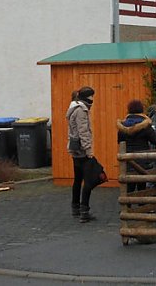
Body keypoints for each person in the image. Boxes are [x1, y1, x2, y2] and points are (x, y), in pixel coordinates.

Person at [116, 99, 156, 192]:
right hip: (142, 160)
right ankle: (141, 204)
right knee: (142, 185)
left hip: (128, 160)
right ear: (141, 110)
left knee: (129, 186)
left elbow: (120, 141)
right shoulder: (146, 125)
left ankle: (128, 205)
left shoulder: (122, 126)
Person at [67, 86, 96, 222]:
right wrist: (89, 150)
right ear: (86, 97)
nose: (92, 99)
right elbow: (83, 131)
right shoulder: (81, 110)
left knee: (77, 179)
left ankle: (75, 208)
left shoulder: (74, 108)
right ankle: (85, 211)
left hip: (75, 148)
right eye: (91, 96)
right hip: (82, 150)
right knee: (88, 180)